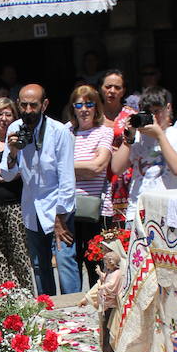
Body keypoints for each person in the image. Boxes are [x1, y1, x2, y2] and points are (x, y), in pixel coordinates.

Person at [1, 84, 78, 296]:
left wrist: (60, 217)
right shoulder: (14, 129)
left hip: (58, 206)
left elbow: (66, 178)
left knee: (64, 263)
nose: (27, 110)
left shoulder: (59, 131)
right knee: (39, 265)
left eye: (33, 105)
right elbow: (7, 174)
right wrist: (13, 152)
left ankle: (75, 313)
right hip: (31, 207)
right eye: (23, 105)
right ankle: (47, 310)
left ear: (44, 105)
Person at [0, 98, 34, 290]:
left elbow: (21, 171)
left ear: (14, 117)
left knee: (20, 253)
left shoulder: (20, 139)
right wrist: (3, 173)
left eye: (8, 114)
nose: (3, 118)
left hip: (16, 205)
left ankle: (26, 296)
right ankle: (3, 299)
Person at [111, 88, 177, 212]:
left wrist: (159, 135)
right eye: (148, 112)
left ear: (168, 108)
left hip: (168, 209)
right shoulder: (137, 137)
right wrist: (128, 138)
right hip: (137, 208)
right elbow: (116, 168)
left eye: (157, 111)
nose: (153, 117)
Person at [65, 85, 113, 287]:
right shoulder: (66, 131)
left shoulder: (104, 132)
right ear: (73, 108)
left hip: (97, 207)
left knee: (96, 261)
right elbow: (53, 167)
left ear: (96, 107)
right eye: (79, 104)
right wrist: (84, 167)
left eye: (89, 104)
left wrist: (68, 167)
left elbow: (98, 166)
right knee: (71, 260)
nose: (84, 109)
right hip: (69, 205)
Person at [97, 70, 137, 225]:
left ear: (123, 91)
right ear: (101, 88)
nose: (112, 91)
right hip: (97, 175)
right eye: (108, 86)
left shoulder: (131, 115)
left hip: (124, 177)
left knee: (121, 227)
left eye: (117, 87)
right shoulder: (92, 115)